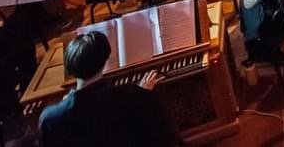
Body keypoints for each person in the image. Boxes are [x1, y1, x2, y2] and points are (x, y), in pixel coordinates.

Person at [39, 31, 179, 147]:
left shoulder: (50, 117)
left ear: (70, 67)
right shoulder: (133, 97)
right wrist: (142, 93)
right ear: (105, 61)